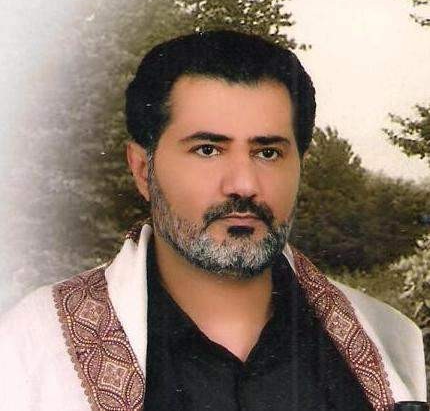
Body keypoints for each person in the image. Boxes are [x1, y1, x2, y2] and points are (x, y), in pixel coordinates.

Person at [0, 30, 426, 411]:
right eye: (208, 150)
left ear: (301, 166)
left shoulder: (390, 341)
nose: (244, 185)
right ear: (143, 170)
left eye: (268, 153)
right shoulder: (31, 349)